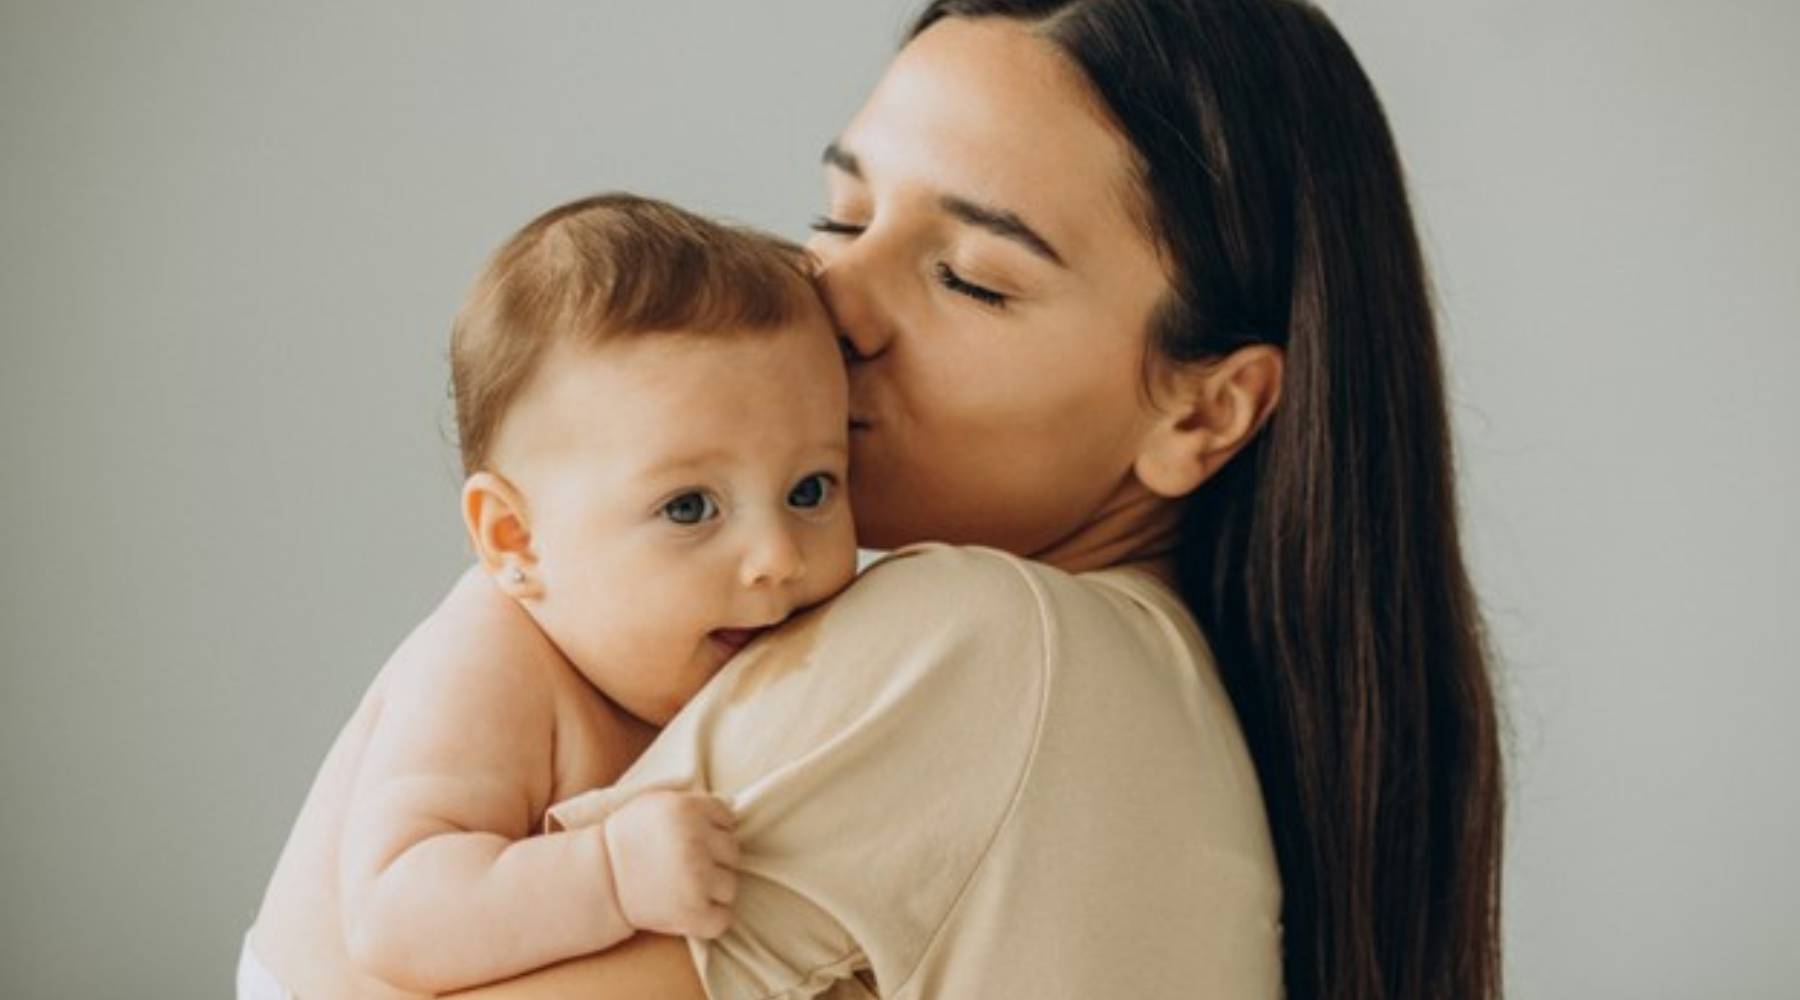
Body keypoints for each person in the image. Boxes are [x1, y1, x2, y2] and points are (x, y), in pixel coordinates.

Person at [459, 1, 1504, 997]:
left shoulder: (988, 648)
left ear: (1205, 412)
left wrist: (503, 608)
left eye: (969, 276)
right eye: (843, 216)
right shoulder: (1158, 694)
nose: (834, 302)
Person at [244, 194, 860, 998]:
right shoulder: (489, 663)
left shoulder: (729, 645)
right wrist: (608, 874)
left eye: (811, 489)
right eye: (688, 508)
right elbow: (397, 919)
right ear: (514, 541)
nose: (776, 557)